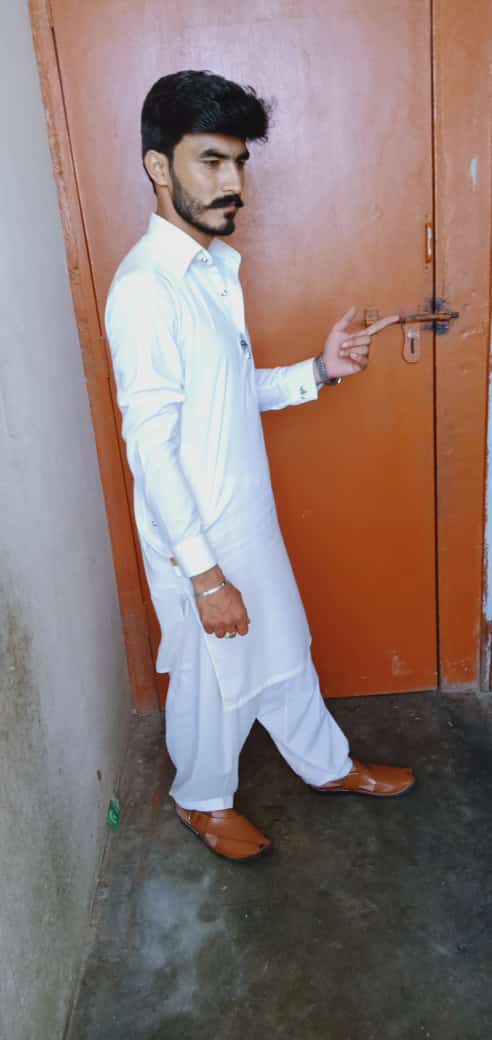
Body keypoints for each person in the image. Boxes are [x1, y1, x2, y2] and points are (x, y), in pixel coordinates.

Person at [105, 70, 415, 862]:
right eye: (210, 161)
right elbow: (152, 448)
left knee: (282, 645)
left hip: (246, 519)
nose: (233, 183)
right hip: (198, 538)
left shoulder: (212, 273)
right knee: (211, 681)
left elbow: (228, 393)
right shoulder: (146, 291)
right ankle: (200, 799)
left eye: (238, 162)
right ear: (157, 165)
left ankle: (325, 764)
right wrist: (206, 577)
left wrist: (319, 371)